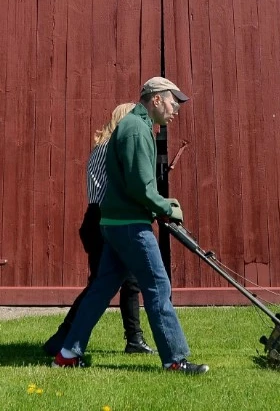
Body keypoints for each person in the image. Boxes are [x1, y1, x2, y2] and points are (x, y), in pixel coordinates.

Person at [52, 77, 209, 375]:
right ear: (156, 100)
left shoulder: (136, 127)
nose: (176, 109)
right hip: (130, 225)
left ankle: (67, 353)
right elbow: (140, 185)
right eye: (173, 101)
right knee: (158, 287)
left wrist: (159, 205)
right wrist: (166, 206)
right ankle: (175, 360)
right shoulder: (137, 129)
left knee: (101, 289)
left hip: (115, 223)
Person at [43, 102, 154, 357]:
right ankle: (62, 338)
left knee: (127, 281)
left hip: (95, 217)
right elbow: (125, 184)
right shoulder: (113, 150)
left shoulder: (99, 148)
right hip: (108, 216)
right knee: (103, 284)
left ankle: (133, 339)